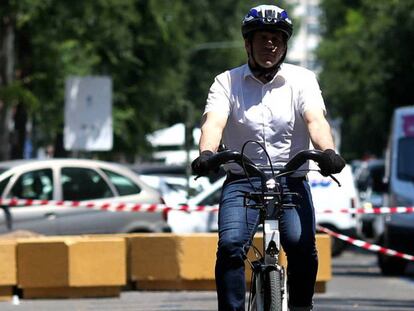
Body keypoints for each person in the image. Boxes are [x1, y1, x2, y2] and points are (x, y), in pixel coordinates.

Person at [191, 4, 345, 311]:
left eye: (276, 38)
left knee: (302, 247)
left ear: (285, 44)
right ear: (248, 43)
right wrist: (207, 154)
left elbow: (316, 121)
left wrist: (328, 153)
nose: (269, 45)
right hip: (242, 180)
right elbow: (214, 123)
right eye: (262, 38)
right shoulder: (226, 82)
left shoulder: (303, 80)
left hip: (291, 179)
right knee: (232, 247)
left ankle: (301, 306)